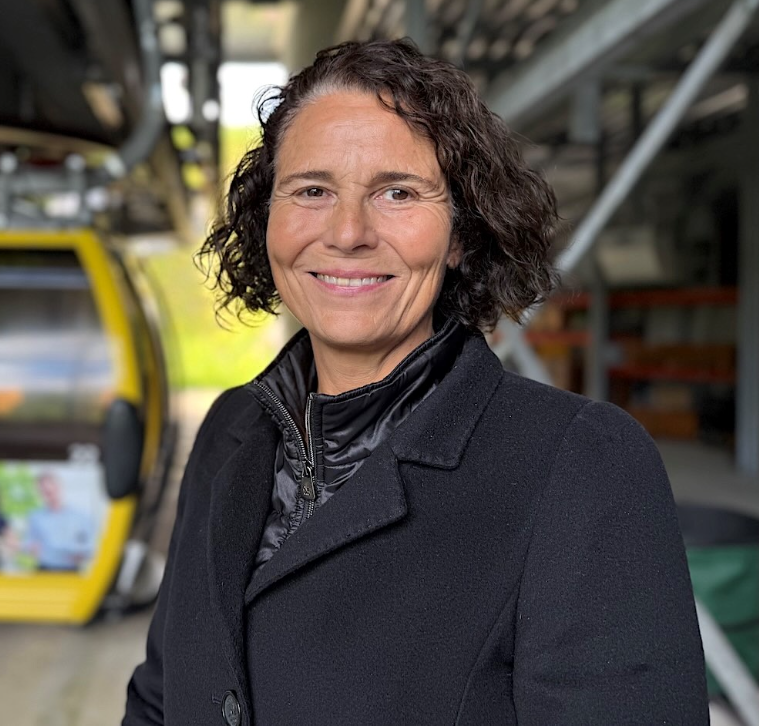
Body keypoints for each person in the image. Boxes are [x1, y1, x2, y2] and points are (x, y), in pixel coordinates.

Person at [123, 40, 707, 726]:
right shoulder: (229, 430)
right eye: (311, 190)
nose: (346, 233)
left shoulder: (580, 463)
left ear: (460, 233)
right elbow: (160, 697)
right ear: (268, 219)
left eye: (396, 192)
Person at [24, 471, 96, 571]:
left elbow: (90, 546)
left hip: (71, 570)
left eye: (50, 491)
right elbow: (29, 542)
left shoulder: (80, 517)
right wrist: (31, 548)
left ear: (59, 487)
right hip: (45, 569)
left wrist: (81, 553)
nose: (47, 495)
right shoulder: (35, 517)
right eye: (43, 492)